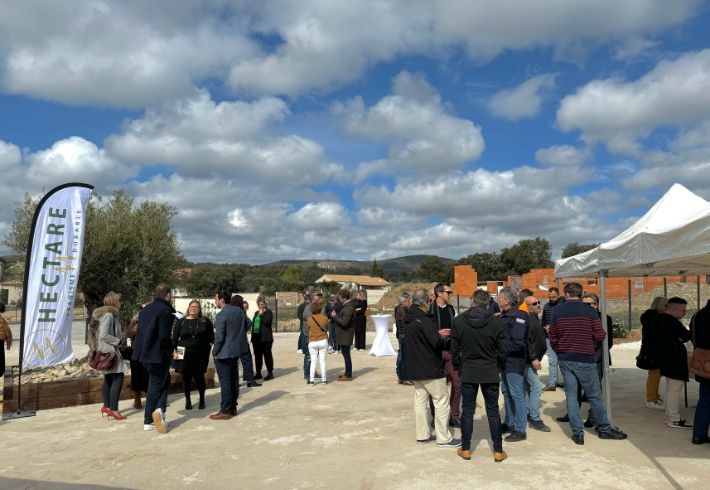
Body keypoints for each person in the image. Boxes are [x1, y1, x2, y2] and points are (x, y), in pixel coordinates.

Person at [549, 282, 627, 445]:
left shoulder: (557, 311)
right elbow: (600, 334)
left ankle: (578, 433)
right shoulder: (590, 311)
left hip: (565, 358)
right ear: (581, 293)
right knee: (594, 396)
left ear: (566, 294)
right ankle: (604, 429)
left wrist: (560, 350)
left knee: (571, 395)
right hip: (584, 358)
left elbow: (553, 336)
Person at [451, 289, 508, 462]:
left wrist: (458, 366)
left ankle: (466, 448)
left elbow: (454, 349)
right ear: (488, 304)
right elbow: (503, 350)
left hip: (469, 370)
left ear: (472, 302)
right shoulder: (496, 322)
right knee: (493, 412)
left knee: (467, 411)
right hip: (490, 371)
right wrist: (499, 367)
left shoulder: (459, 321)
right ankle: (498, 451)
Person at [403, 288, 460, 448]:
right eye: (429, 300)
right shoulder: (424, 320)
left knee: (420, 402)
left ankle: (422, 435)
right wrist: (442, 336)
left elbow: (421, 339)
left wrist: (435, 333)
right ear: (425, 302)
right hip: (430, 368)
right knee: (441, 401)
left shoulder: (409, 318)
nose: (430, 303)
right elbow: (435, 343)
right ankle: (444, 438)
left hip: (415, 368)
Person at [132, 284, 175, 433]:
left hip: (144, 354)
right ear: (168, 294)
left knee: (164, 381)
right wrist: (172, 349)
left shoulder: (146, 310)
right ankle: (149, 420)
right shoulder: (165, 310)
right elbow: (164, 336)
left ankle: (160, 411)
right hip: (157, 354)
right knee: (155, 385)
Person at [88, 292, 128, 420]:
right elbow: (103, 335)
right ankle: (114, 409)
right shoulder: (109, 315)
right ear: (114, 302)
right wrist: (118, 341)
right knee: (118, 377)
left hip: (106, 352)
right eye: (119, 301)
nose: (121, 303)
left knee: (109, 379)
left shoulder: (108, 315)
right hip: (109, 352)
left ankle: (107, 406)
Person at [498, 287, 529, 442]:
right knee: (506, 392)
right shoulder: (504, 315)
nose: (498, 300)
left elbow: (518, 343)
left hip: (514, 361)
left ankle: (520, 429)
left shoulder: (519, 315)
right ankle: (509, 422)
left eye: (500, 298)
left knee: (517, 394)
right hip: (505, 361)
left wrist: (499, 350)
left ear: (507, 300)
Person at [656, 297, 692, 429]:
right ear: (673, 309)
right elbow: (686, 336)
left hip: (667, 359)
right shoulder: (672, 322)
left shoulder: (660, 320)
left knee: (671, 389)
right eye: (683, 310)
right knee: (674, 390)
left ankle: (670, 416)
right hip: (674, 360)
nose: (684, 313)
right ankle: (673, 418)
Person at [429, 283, 462, 428]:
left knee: (458, 384)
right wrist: (438, 333)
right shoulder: (429, 310)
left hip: (450, 351)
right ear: (439, 293)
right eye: (448, 292)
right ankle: (436, 416)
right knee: (435, 387)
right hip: (434, 352)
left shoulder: (450, 309)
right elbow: (424, 330)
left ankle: (454, 416)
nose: (450, 295)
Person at [210, 290, 246, 420]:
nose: (215, 301)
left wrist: (214, 352)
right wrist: (237, 335)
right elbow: (249, 323)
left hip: (223, 353)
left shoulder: (221, 315)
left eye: (216, 299)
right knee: (234, 380)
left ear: (221, 300)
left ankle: (225, 410)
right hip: (235, 351)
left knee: (225, 382)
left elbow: (219, 337)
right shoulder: (239, 311)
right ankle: (233, 407)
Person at [172, 300, 214, 410]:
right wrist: (174, 351)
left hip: (200, 354)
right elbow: (174, 338)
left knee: (199, 377)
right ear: (188, 308)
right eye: (192, 306)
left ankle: (202, 399)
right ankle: (188, 400)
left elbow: (211, 336)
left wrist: (208, 345)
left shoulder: (205, 321)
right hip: (184, 353)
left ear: (199, 309)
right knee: (186, 377)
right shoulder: (181, 321)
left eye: (196, 307)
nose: (193, 308)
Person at [523, 295, 551, 432]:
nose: (538, 305)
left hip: (532, 359)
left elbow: (535, 337)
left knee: (529, 388)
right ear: (528, 307)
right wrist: (533, 358)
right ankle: (535, 418)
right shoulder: (528, 319)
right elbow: (528, 341)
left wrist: (544, 332)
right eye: (534, 304)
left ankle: (528, 412)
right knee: (536, 387)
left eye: (538, 302)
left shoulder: (534, 318)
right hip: (528, 361)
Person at [638, 297, 668, 409]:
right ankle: (651, 399)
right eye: (666, 305)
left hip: (654, 350)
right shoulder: (654, 319)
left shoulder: (651, 317)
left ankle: (654, 396)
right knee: (654, 375)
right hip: (653, 351)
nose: (667, 308)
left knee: (656, 374)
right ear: (660, 306)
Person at [690, 299, 710, 444]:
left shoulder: (698, 315)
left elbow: (693, 336)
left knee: (704, 400)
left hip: (702, 362)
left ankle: (698, 434)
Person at [230, 296, 261, 388]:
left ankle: (235, 382)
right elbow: (250, 322)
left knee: (234, 362)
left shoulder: (229, 312)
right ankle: (250, 380)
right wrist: (243, 330)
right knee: (247, 360)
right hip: (241, 340)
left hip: (231, 340)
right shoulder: (241, 311)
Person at [542, 287, 565, 391]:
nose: (552, 299)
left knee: (564, 361)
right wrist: (545, 327)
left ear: (558, 295)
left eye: (554, 297)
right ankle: (552, 383)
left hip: (562, 338)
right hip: (550, 337)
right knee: (552, 361)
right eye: (550, 297)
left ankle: (567, 382)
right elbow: (543, 321)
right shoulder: (546, 306)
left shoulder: (564, 306)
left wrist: (554, 327)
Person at [330, 289, 356, 381]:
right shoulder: (347, 305)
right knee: (346, 355)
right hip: (345, 334)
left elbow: (344, 323)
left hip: (346, 335)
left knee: (346, 355)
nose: (339, 299)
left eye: (340, 297)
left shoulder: (348, 307)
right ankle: (347, 373)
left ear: (344, 297)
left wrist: (335, 316)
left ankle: (348, 375)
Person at [126, 308, 148, 409]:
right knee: (136, 376)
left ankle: (151, 397)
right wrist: (133, 324)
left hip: (149, 352)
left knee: (149, 375)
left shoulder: (152, 319)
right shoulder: (135, 322)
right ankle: (137, 398)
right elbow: (129, 334)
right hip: (136, 352)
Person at [251, 298, 275, 381]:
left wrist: (261, 315)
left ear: (265, 304)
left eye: (262, 304)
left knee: (267, 355)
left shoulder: (268, 312)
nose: (260, 306)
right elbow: (254, 324)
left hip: (266, 338)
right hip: (256, 337)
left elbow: (267, 322)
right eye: (259, 304)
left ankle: (270, 373)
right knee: (257, 356)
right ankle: (258, 373)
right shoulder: (256, 313)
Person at [306, 300, 329, 384]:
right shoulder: (325, 318)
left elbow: (308, 329)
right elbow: (327, 328)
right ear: (320, 308)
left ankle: (311, 380)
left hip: (312, 341)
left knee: (313, 361)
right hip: (323, 340)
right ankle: (324, 379)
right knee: (323, 360)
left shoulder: (309, 319)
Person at [395, 292, 411, 384]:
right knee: (404, 357)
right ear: (403, 301)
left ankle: (402, 376)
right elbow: (405, 324)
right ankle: (403, 377)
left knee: (404, 357)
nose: (409, 302)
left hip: (404, 335)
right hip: (404, 336)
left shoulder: (403, 309)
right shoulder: (401, 311)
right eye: (408, 300)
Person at [0, 303, 12, 378]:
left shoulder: (1, 320)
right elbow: (8, 332)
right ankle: (0, 371)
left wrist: (9, 341)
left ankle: (0, 371)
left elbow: (7, 331)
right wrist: (8, 341)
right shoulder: (2, 319)